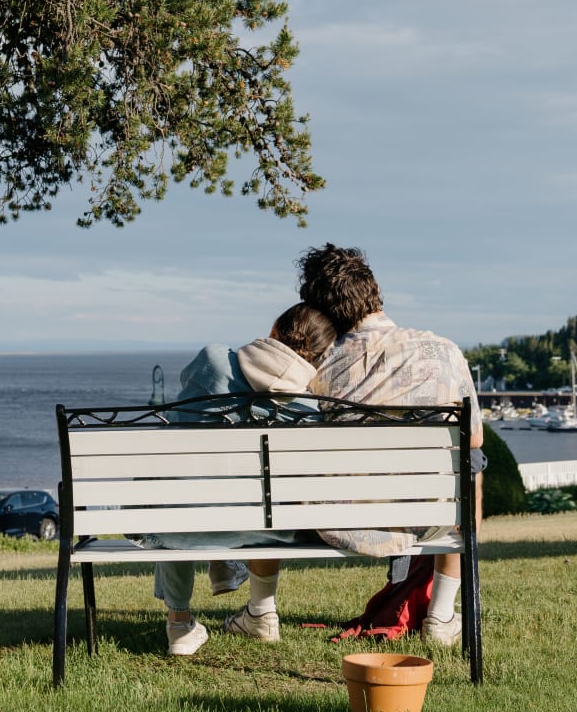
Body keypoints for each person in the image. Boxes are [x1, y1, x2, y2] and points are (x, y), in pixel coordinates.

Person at [228, 244, 484, 647]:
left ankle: (260, 611)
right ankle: (441, 616)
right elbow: (475, 437)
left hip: (330, 522)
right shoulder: (444, 352)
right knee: (472, 460)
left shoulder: (316, 366)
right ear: (375, 291)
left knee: (271, 467)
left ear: (322, 311)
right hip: (424, 519)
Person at [151, 302, 336, 656]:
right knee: (254, 500)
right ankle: (224, 563)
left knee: (176, 492)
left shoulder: (214, 360)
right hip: (269, 528)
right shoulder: (309, 409)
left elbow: (174, 426)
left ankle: (179, 623)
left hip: (186, 518)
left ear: (273, 330)